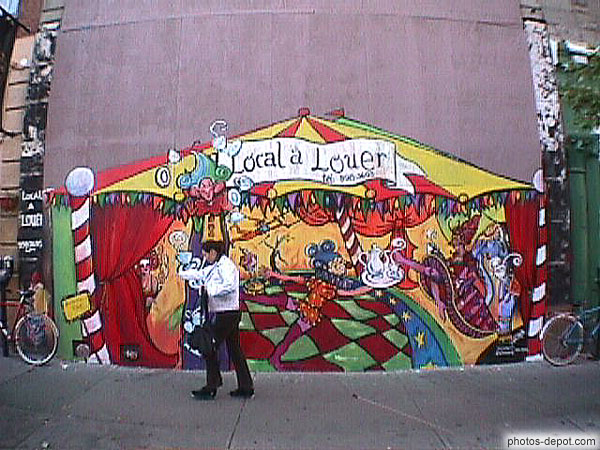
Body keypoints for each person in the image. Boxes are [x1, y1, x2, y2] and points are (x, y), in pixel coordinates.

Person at [188, 240, 254, 400]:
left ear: (213, 252)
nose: (205, 257)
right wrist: (184, 273)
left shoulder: (226, 267)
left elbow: (229, 286)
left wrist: (211, 290)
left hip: (227, 313)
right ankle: (246, 386)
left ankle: (212, 385)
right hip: (227, 313)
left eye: (206, 254)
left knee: (208, 345)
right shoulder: (217, 266)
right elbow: (202, 274)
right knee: (234, 349)